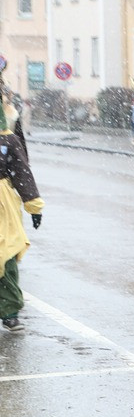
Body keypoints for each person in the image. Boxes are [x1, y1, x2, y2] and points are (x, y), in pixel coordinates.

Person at [0, 78, 42, 332]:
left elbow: (21, 170)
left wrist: (33, 204)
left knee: (6, 256)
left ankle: (10, 310)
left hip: (3, 203)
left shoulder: (7, 140)